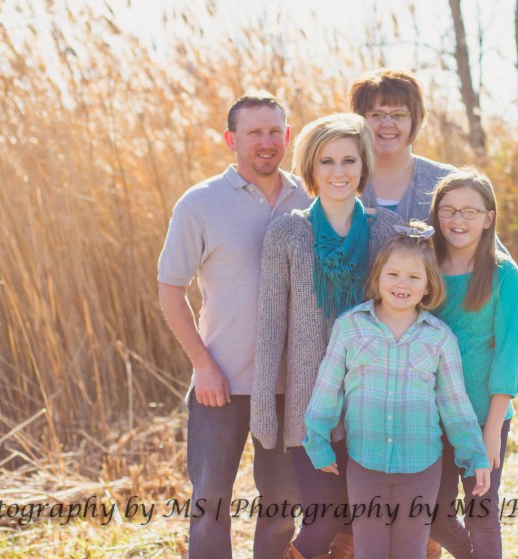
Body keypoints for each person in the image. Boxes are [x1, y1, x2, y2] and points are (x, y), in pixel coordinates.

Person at [157, 90, 305, 559]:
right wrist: (202, 365)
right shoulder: (200, 203)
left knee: (283, 504)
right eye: (253, 132)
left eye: (274, 132)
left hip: (288, 386)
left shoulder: (310, 197)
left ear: (288, 136)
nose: (266, 142)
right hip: (220, 383)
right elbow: (170, 289)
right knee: (210, 502)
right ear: (231, 139)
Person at [250, 113, 401, 559]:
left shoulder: (384, 231)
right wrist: (263, 405)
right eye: (327, 161)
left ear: (364, 165)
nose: (339, 172)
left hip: (371, 403)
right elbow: (271, 325)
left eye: (349, 160)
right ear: (311, 168)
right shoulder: (287, 232)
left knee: (363, 524)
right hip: (309, 405)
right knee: (323, 518)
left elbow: (404, 314)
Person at [303, 223, 491, 559]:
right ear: (377, 277)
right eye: (393, 274)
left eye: (414, 277)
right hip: (365, 463)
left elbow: (455, 405)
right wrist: (317, 440)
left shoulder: (439, 337)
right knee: (369, 549)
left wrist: (475, 455)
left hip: (422, 466)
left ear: (428, 286)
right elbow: (327, 389)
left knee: (411, 550)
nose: (402, 284)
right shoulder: (350, 327)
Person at [427, 169, 518, 558]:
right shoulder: (426, 266)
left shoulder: (504, 274)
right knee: (434, 515)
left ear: (489, 218)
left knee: (481, 514)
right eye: (448, 210)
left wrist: (492, 430)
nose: (458, 219)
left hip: (485, 413)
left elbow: (508, 352)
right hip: (433, 415)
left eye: (470, 211)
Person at [349, 68, 454, 221]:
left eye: (398, 114)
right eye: (376, 114)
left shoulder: (446, 181)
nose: (387, 123)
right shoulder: (339, 179)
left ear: (416, 120)